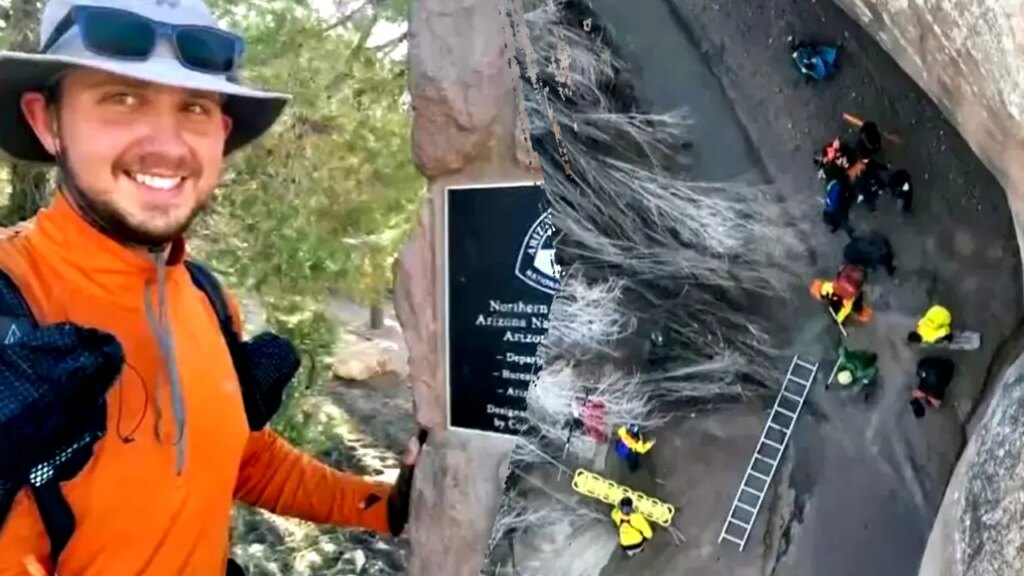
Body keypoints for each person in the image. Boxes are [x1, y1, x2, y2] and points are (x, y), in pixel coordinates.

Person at [0, 1, 423, 574]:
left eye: (194, 107)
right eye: (121, 98)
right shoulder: (11, 301)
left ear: (220, 134)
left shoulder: (206, 297)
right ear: (45, 121)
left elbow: (242, 459)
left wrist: (384, 505)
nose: (168, 145)